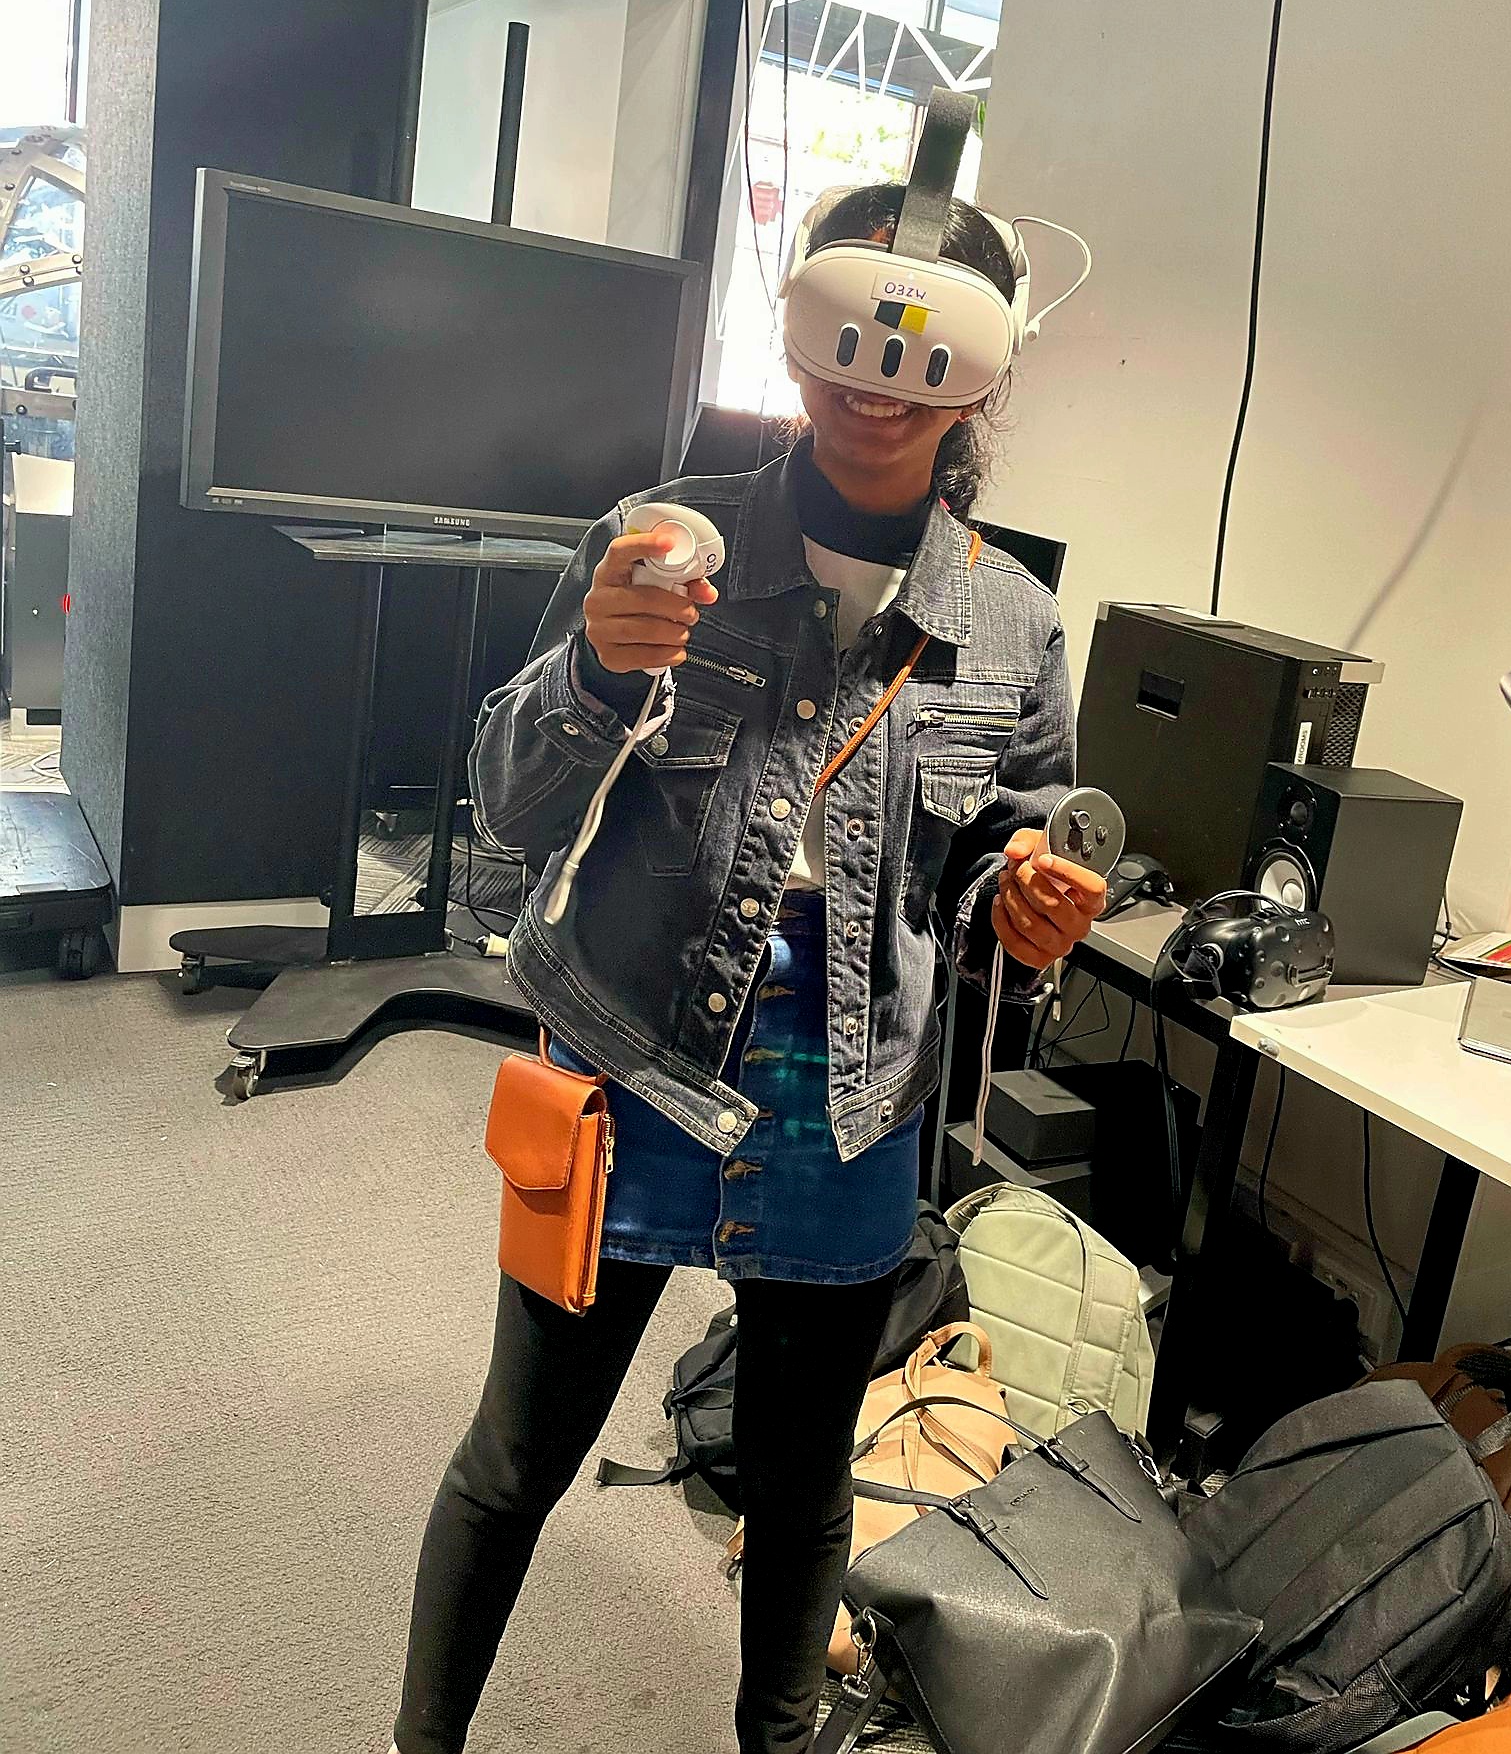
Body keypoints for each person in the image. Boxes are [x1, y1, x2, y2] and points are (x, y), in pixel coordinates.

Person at [391, 181, 1107, 1754]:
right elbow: (504, 802)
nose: (874, 384)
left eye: (924, 354)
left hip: (849, 1100)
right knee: (517, 1456)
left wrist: (1028, 902)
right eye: (844, 337)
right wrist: (597, 666)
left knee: (799, 1490)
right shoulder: (663, 539)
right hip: (630, 1048)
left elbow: (994, 853)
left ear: (984, 375)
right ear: (798, 331)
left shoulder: (1012, 622)